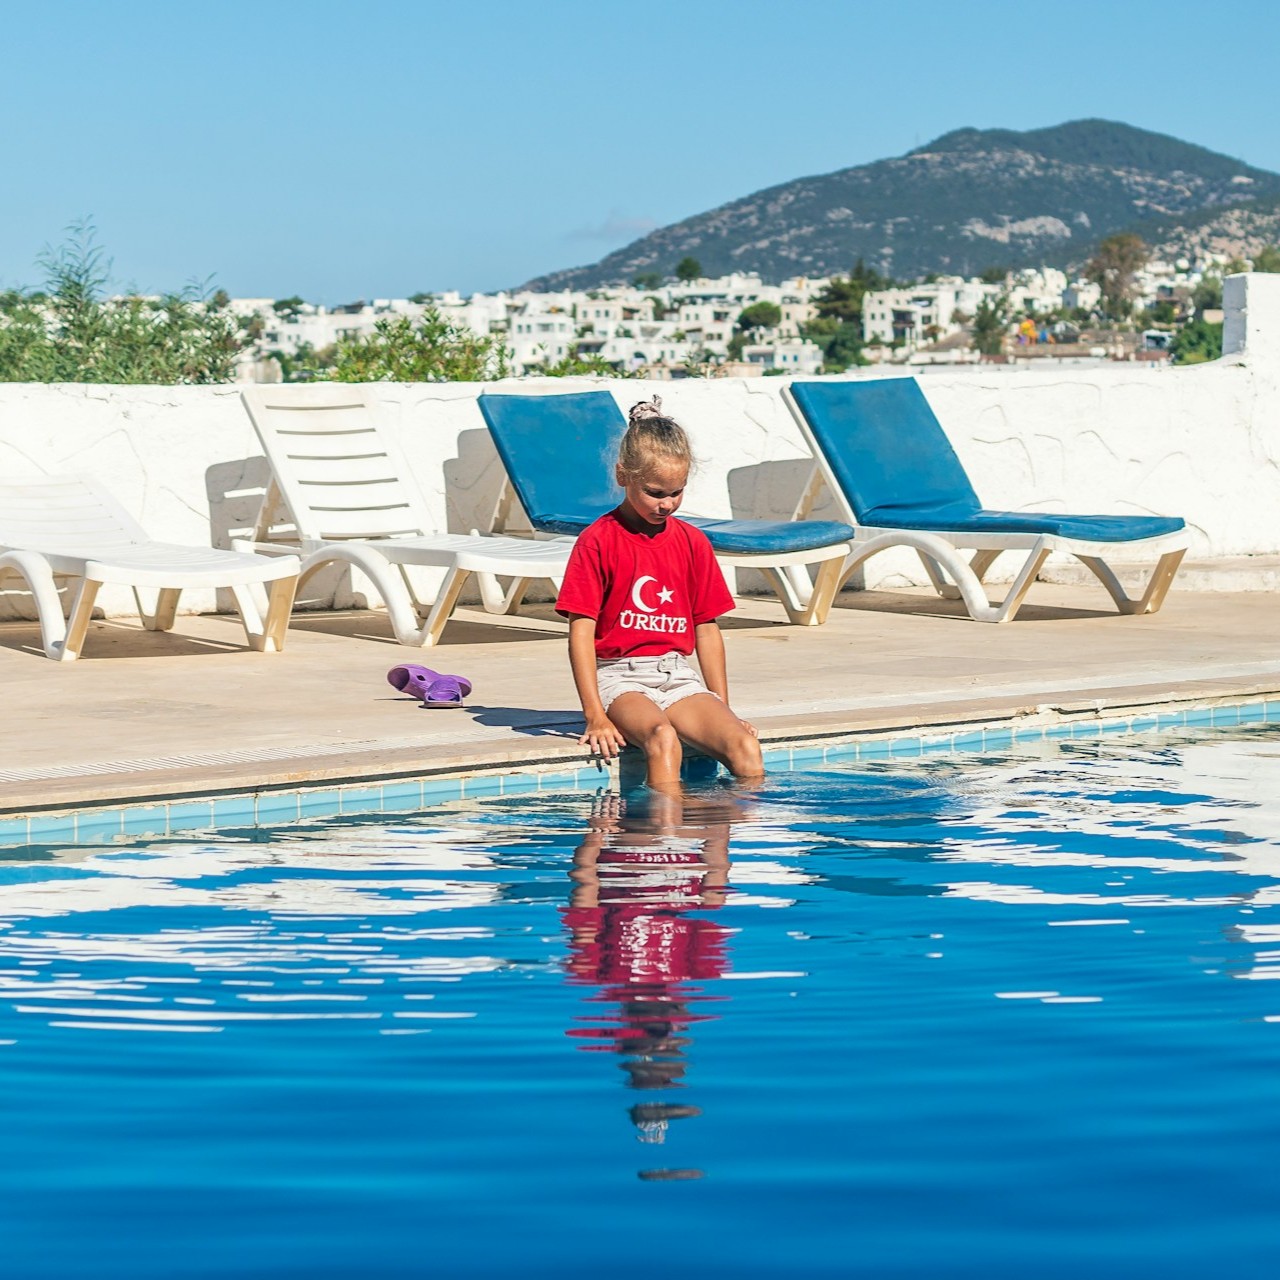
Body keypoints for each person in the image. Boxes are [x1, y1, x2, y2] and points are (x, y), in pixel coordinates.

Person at [555, 397, 764, 787]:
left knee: (744, 745)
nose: (667, 504)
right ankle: (663, 836)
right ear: (623, 475)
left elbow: (707, 628)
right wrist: (594, 714)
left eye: (677, 492)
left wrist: (722, 707)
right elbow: (580, 632)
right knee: (664, 740)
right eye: (655, 492)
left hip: (676, 675)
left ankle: (727, 837)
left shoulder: (692, 542)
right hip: (619, 677)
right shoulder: (597, 541)